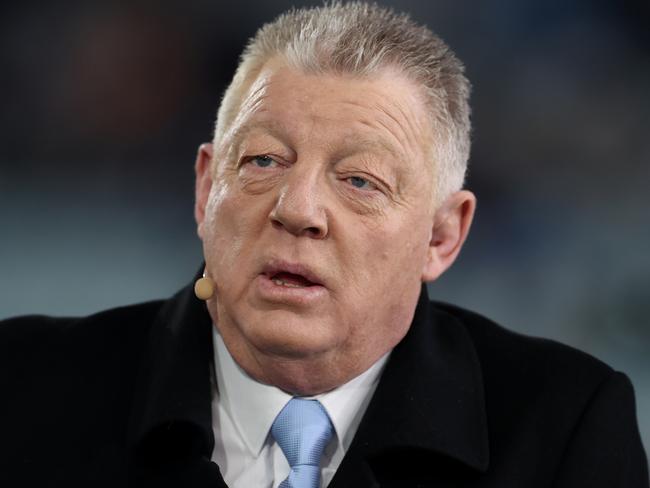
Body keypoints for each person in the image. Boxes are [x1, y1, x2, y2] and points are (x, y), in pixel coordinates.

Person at [0, 3, 647, 487]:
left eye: (360, 180)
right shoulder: (23, 389)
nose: (298, 210)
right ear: (205, 191)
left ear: (442, 235)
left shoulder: (564, 429)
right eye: (261, 162)